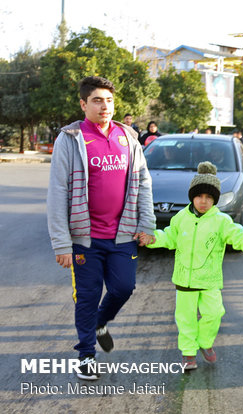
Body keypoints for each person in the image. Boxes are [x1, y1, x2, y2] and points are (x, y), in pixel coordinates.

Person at [47, 76, 156, 381]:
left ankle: (100, 322)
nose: (104, 106)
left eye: (108, 100)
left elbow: (144, 182)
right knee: (87, 295)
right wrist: (61, 243)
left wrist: (146, 224)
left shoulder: (127, 136)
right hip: (85, 239)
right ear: (83, 104)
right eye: (97, 100)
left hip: (123, 235)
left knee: (124, 287)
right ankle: (86, 355)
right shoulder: (70, 139)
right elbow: (58, 191)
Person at [141, 161, 243, 369]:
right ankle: (188, 352)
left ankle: (205, 342)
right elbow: (170, 237)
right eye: (199, 196)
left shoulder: (221, 221)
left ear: (215, 200)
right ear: (192, 196)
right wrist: (152, 239)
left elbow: (239, 237)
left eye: (209, 197)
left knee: (214, 313)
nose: (203, 201)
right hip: (184, 279)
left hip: (209, 280)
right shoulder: (181, 217)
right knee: (185, 318)